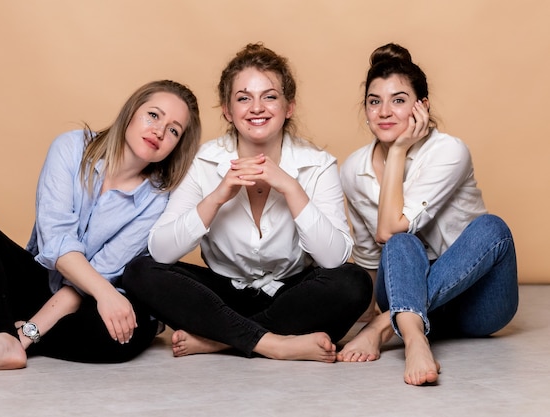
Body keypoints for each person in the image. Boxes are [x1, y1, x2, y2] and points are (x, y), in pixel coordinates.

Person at [122, 43, 372, 363]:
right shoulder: (203, 162)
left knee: (353, 282)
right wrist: (217, 197)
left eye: (269, 96)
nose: (257, 108)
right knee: (139, 271)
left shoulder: (318, 164)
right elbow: (161, 250)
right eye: (243, 98)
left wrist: (291, 188)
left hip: (289, 296)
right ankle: (275, 344)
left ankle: (221, 341)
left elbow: (334, 257)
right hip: (222, 297)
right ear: (228, 110)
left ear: (288, 107)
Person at [0, 80, 201, 378]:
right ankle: (1, 334)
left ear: (176, 146)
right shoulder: (71, 147)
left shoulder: (158, 199)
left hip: (88, 300)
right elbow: (56, 241)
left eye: (173, 130)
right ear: (131, 112)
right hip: (44, 281)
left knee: (123, 335)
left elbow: (98, 275)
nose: (159, 131)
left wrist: (25, 336)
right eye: (153, 115)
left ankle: (1, 335)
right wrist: (104, 293)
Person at [337, 43, 518, 385]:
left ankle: (390, 324)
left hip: (475, 300)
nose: (385, 112)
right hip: (402, 286)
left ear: (423, 106)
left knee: (493, 228)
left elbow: (390, 226)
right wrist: (363, 315)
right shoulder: (353, 170)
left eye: (399, 100)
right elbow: (371, 253)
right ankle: (415, 338)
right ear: (365, 109)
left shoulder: (449, 151)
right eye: (375, 101)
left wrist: (399, 149)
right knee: (401, 244)